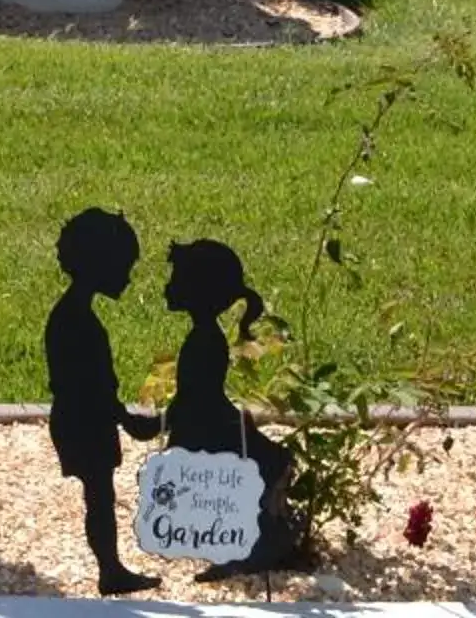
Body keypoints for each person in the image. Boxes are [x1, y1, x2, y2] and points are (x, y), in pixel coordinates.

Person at [160, 237, 301, 579]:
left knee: (228, 486)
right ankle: (239, 544)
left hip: (207, 429)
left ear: (198, 291)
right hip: (205, 424)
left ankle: (261, 544)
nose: (167, 286)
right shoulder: (203, 337)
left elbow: (196, 396)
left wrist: (157, 425)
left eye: (176, 279)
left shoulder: (204, 341)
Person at [46, 209, 162, 595]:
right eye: (123, 267)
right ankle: (110, 571)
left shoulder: (73, 315)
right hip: (83, 422)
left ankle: (111, 568)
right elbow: (88, 388)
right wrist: (127, 421)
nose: (128, 277)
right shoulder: (76, 321)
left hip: (85, 417)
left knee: (101, 496)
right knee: (99, 496)